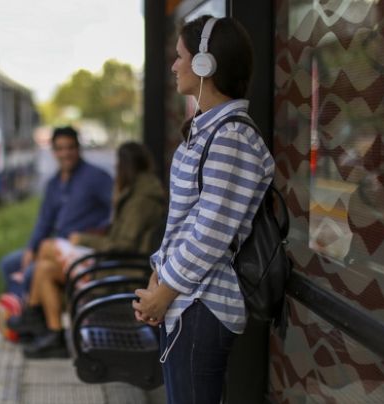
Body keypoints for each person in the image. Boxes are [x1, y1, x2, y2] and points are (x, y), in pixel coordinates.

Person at [132, 16, 275, 404]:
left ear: (204, 65)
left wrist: (164, 291)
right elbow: (183, 221)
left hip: (202, 305)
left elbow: (210, 231)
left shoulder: (231, 137)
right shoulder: (209, 130)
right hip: (185, 300)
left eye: (180, 57)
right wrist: (155, 281)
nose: (175, 65)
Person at [20, 142, 167, 358]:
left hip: (120, 271)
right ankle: (53, 334)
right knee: (43, 268)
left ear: (126, 166)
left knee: (47, 249)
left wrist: (85, 240)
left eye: (118, 166)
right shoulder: (137, 192)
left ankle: (33, 316)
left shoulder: (142, 199)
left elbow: (125, 243)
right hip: (112, 262)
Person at [0, 125, 113, 310]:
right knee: (9, 263)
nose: (65, 153)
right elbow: (44, 221)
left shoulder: (96, 177)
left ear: (78, 148)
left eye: (70, 147)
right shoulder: (54, 183)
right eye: (60, 148)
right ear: (53, 152)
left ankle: (31, 318)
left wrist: (99, 232)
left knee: (31, 272)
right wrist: (31, 248)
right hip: (54, 246)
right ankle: (22, 313)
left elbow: (117, 209)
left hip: (81, 248)